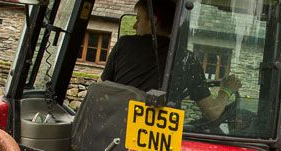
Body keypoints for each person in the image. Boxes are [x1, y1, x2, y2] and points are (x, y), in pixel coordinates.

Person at [101, 0, 240, 121]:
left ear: (153, 21)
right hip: (161, 141)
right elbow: (213, 113)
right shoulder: (186, 59)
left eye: (138, 19)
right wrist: (226, 91)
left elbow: (101, 88)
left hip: (116, 131)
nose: (134, 26)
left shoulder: (124, 44)